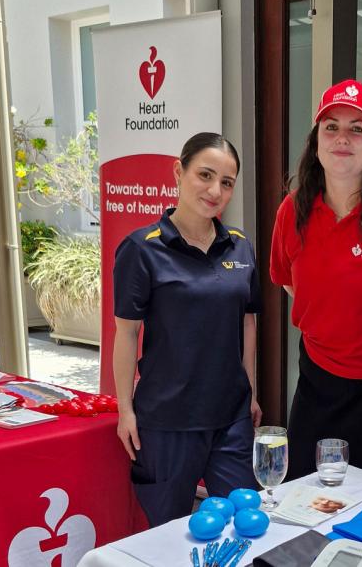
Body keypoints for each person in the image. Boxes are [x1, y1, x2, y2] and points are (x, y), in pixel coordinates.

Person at [113, 132, 262, 527]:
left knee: (243, 525)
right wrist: (125, 409)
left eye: (226, 183)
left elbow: (248, 321)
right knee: (166, 534)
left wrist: (252, 391)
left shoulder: (240, 247)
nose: (215, 190)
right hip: (166, 421)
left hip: (230, 418)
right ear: (179, 172)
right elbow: (126, 334)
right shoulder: (142, 249)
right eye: (205, 175)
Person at [270, 79, 362, 480]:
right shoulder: (292, 210)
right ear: (316, 142)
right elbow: (287, 279)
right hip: (317, 379)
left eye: (356, 128)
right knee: (303, 494)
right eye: (331, 126)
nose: (342, 138)